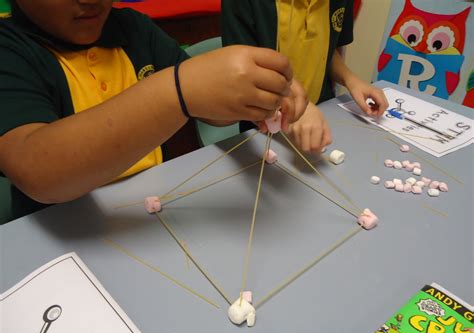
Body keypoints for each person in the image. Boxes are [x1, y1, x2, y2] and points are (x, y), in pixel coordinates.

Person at [0, 0, 309, 221]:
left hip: (163, 217)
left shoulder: (133, 29)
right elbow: (38, 171)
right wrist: (177, 90)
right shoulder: (9, 51)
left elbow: (204, 105)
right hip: (66, 246)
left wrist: (245, 101)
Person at [222, 0, 389, 150]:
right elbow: (244, 76)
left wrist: (351, 79)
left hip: (321, 115)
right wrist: (294, 105)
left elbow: (327, 51)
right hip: (263, 128)